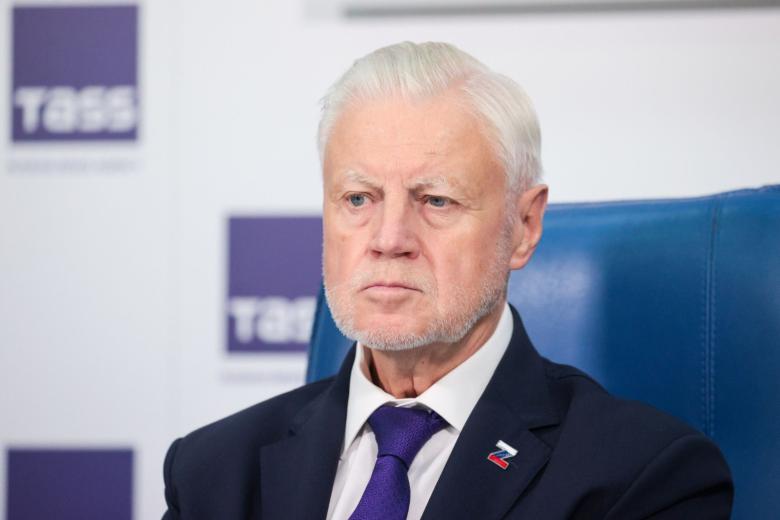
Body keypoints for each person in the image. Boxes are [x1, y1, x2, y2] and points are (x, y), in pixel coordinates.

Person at [162, 42, 733, 519]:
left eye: (436, 200)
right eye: (358, 198)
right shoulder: (212, 472)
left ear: (523, 226)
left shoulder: (644, 477)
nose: (389, 238)